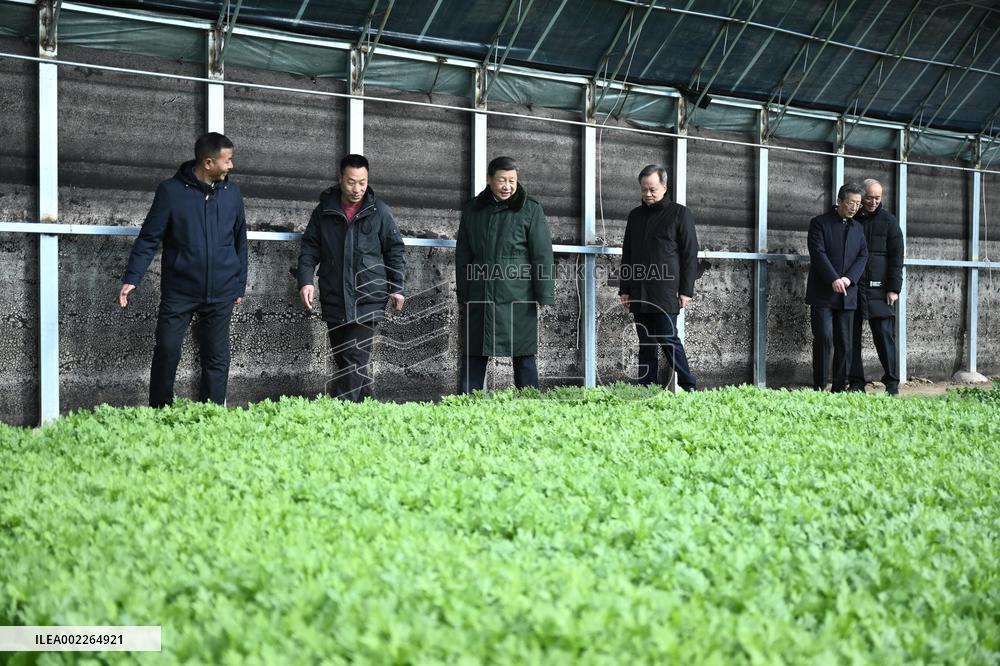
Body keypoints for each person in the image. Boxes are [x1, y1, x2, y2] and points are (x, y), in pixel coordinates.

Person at [118, 132, 247, 408]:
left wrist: (239, 284)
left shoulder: (233, 193)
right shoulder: (170, 192)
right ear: (208, 162)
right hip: (180, 291)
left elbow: (240, 241)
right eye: (227, 160)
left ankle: (212, 414)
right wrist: (133, 277)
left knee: (217, 356)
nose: (231, 165)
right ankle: (160, 411)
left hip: (222, 290)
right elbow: (149, 237)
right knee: (167, 350)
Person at [295, 154, 405, 402]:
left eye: (363, 183)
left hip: (368, 296)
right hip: (334, 295)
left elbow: (395, 250)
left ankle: (339, 411)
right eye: (351, 182)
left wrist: (397, 287)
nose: (357, 189)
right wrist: (306, 280)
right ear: (340, 179)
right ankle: (369, 405)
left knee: (353, 359)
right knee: (347, 360)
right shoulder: (324, 211)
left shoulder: (379, 211)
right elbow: (310, 248)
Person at [455, 156, 554, 393]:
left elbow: (542, 255)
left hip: (518, 296)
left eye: (512, 181)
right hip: (480, 294)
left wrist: (544, 294)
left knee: (523, 354)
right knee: (474, 352)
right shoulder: (472, 210)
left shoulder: (530, 209)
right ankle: (464, 405)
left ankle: (530, 404)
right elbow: (463, 256)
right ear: (489, 179)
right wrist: (464, 294)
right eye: (502, 180)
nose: (507, 186)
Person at [618, 164, 700, 391]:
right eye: (644, 189)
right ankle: (647, 389)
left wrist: (686, 290)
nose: (647, 194)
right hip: (639, 289)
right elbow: (628, 254)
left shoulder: (680, 214)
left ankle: (689, 385)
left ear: (664, 187)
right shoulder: (635, 216)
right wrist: (625, 289)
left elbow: (690, 254)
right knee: (645, 342)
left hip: (665, 290)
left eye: (652, 189)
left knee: (668, 339)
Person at [806, 182, 869, 392]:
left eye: (858, 204)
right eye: (851, 202)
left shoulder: (858, 228)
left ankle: (839, 387)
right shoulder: (819, 223)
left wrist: (849, 279)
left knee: (844, 341)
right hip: (823, 293)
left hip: (847, 293)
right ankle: (820, 385)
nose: (854, 208)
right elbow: (818, 252)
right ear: (839, 201)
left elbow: (863, 255)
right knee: (823, 337)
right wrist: (833, 278)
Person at [848, 178, 904, 395]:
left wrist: (894, 288)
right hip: (854, 287)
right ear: (862, 197)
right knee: (851, 337)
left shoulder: (889, 221)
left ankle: (892, 384)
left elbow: (897, 257)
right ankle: (856, 383)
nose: (873, 202)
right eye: (869, 197)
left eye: (877, 198)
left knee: (884, 337)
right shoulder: (852, 219)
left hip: (880, 290)